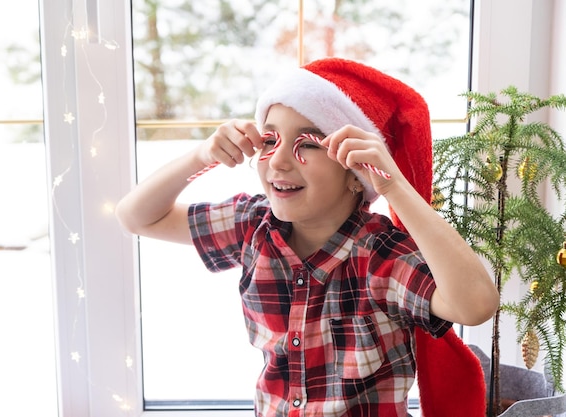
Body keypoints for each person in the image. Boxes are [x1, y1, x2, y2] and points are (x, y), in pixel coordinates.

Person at [115, 57, 499, 417]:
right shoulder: (253, 227)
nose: (279, 161)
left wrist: (395, 185)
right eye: (269, 141)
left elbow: (476, 305)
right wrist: (202, 156)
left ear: (356, 175)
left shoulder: (382, 258)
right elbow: (137, 217)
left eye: (309, 144)